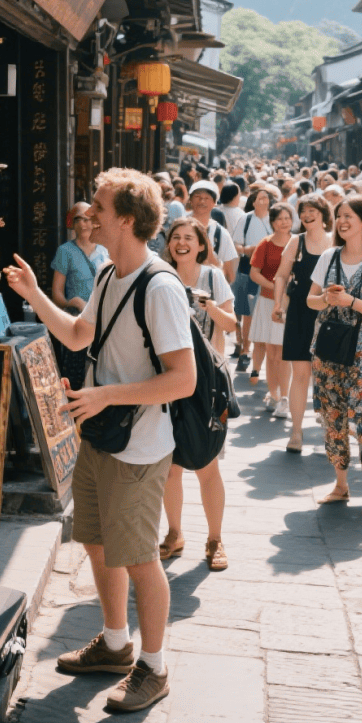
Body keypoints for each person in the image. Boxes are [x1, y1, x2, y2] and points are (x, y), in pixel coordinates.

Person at [3, 168, 195, 713]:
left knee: (139, 558)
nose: (91, 214)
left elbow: (184, 380)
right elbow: (78, 334)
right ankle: (115, 643)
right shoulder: (111, 274)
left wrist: (107, 396)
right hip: (101, 435)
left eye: (101, 207)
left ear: (127, 220)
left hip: (137, 446)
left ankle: (153, 667)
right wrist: (37, 294)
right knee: (97, 541)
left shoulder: (159, 287)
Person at [307, 196, 362, 517]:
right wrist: (326, 299)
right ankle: (341, 485)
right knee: (333, 416)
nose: (343, 221)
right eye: (339, 216)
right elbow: (309, 301)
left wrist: (350, 302)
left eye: (349, 216)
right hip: (330, 350)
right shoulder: (329, 256)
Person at [158, 217, 236, 571]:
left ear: (202, 244)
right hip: (167, 380)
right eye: (176, 238)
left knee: (207, 464)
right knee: (170, 466)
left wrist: (209, 307)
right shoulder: (161, 275)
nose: (181, 244)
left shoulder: (213, 277)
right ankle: (174, 534)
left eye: (189, 238)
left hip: (207, 385)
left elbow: (233, 325)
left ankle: (215, 537)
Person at [272, 194, 333, 453]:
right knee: (301, 374)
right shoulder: (296, 242)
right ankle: (296, 432)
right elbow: (282, 275)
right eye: (303, 212)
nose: (307, 216)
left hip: (330, 314)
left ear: (323, 213)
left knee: (328, 376)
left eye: (312, 211)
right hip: (299, 311)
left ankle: (331, 432)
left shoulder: (335, 242)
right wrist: (278, 304)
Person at [51, 201, 110, 390]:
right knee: (75, 376)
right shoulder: (65, 251)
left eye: (87, 219)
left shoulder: (105, 250)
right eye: (78, 219)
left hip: (103, 320)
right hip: (77, 320)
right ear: (72, 223)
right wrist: (73, 302)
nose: (84, 224)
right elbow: (56, 294)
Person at [248, 203, 295, 412]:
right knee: (271, 351)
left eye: (287, 218)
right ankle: (274, 393)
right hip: (267, 302)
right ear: (273, 222)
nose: (284, 222)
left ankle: (285, 397)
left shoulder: (297, 243)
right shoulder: (265, 244)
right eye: (279, 219)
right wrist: (276, 286)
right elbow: (254, 273)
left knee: (284, 352)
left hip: (290, 304)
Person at [232, 188, 273, 371]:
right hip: (248, 270)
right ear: (253, 202)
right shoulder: (246, 219)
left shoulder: (275, 218)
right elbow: (236, 245)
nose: (264, 201)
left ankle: (265, 355)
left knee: (269, 313)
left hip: (271, 272)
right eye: (260, 198)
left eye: (266, 198)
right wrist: (248, 250)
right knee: (248, 314)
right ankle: (245, 352)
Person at [187, 180, 238, 284]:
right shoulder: (177, 227)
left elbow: (230, 277)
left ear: (214, 203)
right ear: (190, 200)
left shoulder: (221, 234)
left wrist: (210, 255)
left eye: (206, 198)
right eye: (198, 197)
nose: (202, 201)